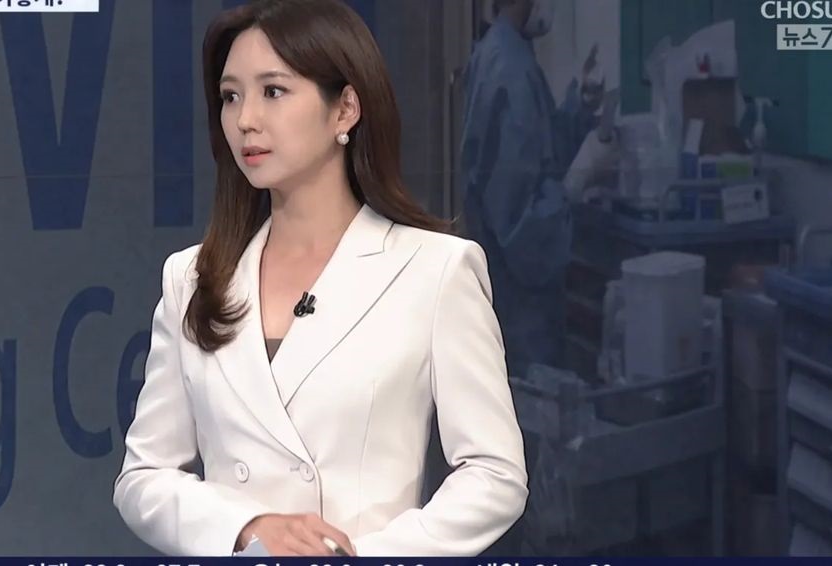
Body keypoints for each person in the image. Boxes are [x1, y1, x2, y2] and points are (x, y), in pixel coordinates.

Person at [113, 0, 527, 557]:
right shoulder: (191, 278)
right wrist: (246, 526)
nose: (245, 119)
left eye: (273, 91)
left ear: (345, 110)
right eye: (230, 96)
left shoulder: (435, 270)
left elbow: (495, 475)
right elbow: (142, 477)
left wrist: (360, 555)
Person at [458, 0, 614, 375]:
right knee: (529, 396)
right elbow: (518, 220)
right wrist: (575, 185)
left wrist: (582, 104)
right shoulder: (509, 70)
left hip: (508, 290)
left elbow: (539, 148)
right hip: (518, 300)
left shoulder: (507, 53)